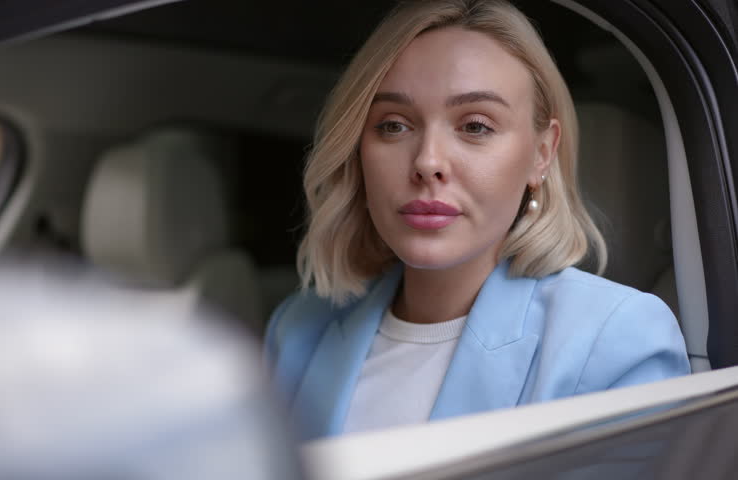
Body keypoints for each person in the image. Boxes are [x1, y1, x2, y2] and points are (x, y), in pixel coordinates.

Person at [265, 0, 690, 441]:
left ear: (542, 154)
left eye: (475, 126)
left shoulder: (618, 340)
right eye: (393, 125)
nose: (428, 162)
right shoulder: (298, 329)